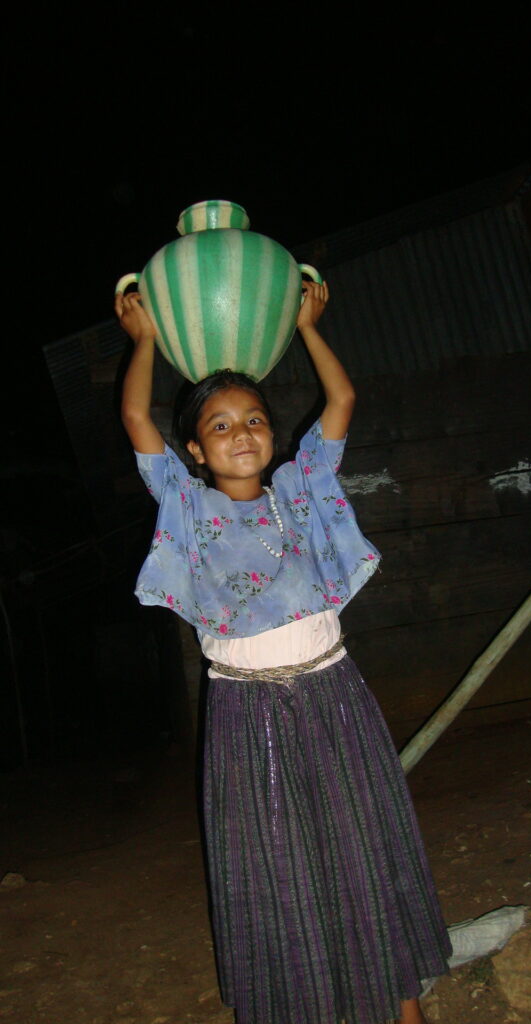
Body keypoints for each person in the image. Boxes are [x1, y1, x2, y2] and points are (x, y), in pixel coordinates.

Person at [115, 281, 451, 1024]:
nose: (243, 433)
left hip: (335, 695)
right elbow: (137, 415)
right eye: (221, 424)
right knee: (277, 861)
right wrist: (143, 342)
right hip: (245, 709)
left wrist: (307, 326)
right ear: (196, 451)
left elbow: (341, 403)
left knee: (364, 842)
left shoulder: (303, 491)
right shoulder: (185, 506)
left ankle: (402, 1007)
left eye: (257, 418)